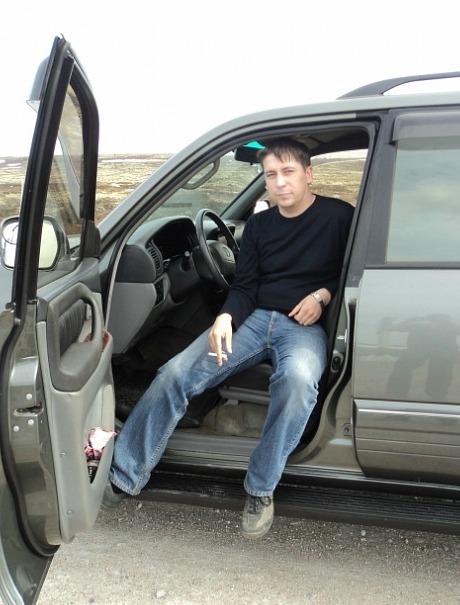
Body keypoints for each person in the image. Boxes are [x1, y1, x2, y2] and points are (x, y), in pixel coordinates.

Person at [104, 138, 354, 539]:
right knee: (174, 374)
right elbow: (246, 286)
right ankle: (124, 474)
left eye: (288, 172)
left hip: (303, 328)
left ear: (308, 174)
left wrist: (322, 296)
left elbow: (352, 272)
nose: (280, 182)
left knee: (297, 382)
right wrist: (225, 318)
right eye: (271, 175)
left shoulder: (339, 217)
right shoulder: (259, 226)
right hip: (254, 320)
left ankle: (260, 488)